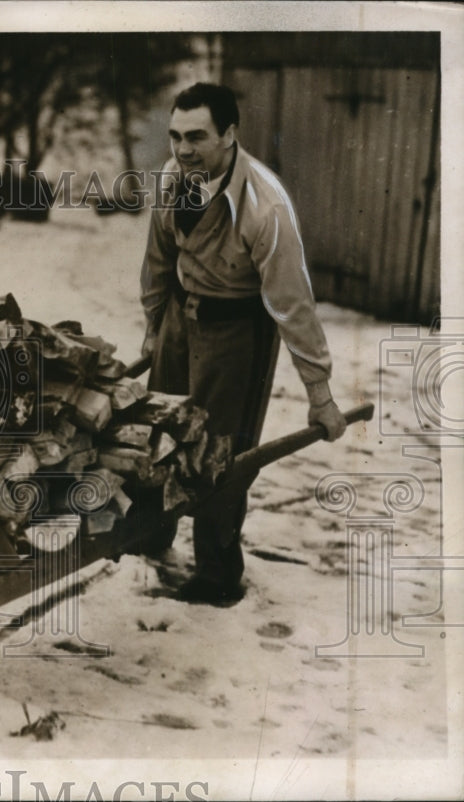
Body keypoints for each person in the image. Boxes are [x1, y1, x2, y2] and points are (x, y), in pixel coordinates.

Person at [139, 82, 346, 605]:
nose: (183, 149)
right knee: (154, 431)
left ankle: (216, 574)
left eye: (197, 137)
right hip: (180, 320)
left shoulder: (265, 206)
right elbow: (158, 262)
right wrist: (154, 328)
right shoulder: (172, 180)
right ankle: (150, 533)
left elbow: (293, 305)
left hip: (237, 331)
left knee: (219, 455)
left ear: (230, 135)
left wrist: (319, 395)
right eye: (175, 136)